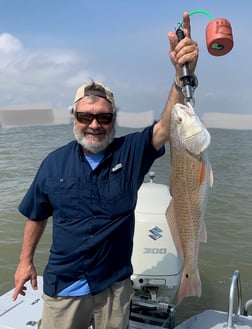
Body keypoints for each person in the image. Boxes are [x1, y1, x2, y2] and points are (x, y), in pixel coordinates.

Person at [12, 12, 198, 329]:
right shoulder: (53, 163)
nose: (95, 125)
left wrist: (182, 76)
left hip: (114, 287)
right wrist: (25, 261)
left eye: (104, 117)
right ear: (74, 117)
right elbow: (36, 214)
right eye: (86, 117)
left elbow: (169, 125)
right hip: (65, 289)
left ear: (114, 118)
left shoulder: (131, 152)